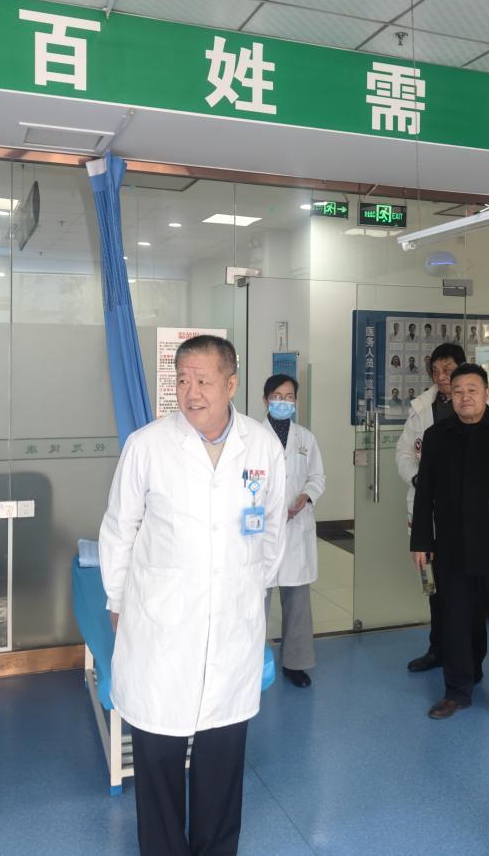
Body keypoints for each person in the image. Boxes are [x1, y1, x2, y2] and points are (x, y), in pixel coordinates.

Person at [99, 334, 286, 856]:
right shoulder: (148, 445)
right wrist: (117, 600)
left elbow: (273, 527)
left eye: (203, 380)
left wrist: (249, 589)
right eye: (182, 380)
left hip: (233, 625)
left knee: (222, 761)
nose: (191, 392)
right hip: (161, 627)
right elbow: (119, 528)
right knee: (158, 760)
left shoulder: (261, 446)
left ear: (231, 384)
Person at [411, 364, 489, 725]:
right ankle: (457, 691)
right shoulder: (437, 435)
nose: (465, 397)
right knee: (454, 621)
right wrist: (421, 541)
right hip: (451, 546)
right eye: (457, 391)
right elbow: (425, 492)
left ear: (488, 393)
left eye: (472, 389)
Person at [395, 342, 467, 673]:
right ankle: (437, 648)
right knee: (433, 585)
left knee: (464, 589)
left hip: (465, 512)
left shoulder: (476, 404)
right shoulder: (422, 407)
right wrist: (419, 479)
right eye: (436, 371)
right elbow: (404, 452)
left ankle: (465, 655)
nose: (441, 377)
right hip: (430, 510)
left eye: (448, 370)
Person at [261, 374, 326, 689]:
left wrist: (306, 496)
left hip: (296, 526)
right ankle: (250, 662)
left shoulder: (305, 438)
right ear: (265, 400)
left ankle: (295, 663)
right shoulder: (251, 436)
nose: (283, 402)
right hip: (262, 528)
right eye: (277, 396)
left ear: (296, 402)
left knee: (297, 599)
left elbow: (317, 477)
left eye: (289, 397)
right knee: (256, 601)